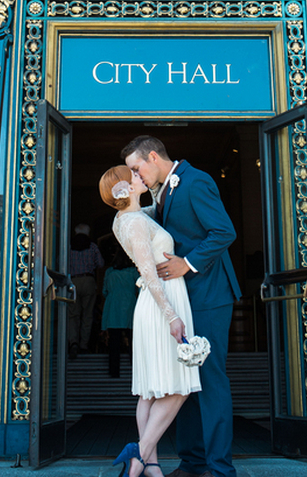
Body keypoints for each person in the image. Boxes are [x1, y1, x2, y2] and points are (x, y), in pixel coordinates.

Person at [122, 136, 240, 477]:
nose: (137, 176)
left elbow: (223, 232)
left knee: (210, 380)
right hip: (183, 299)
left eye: (137, 168)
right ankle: (193, 462)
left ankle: (220, 469)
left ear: (154, 157)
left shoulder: (196, 181)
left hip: (209, 295)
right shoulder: (162, 191)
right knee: (184, 380)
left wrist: (187, 264)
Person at [99, 164, 201, 477]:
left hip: (156, 300)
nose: (140, 176)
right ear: (124, 190)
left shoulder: (130, 217)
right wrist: (172, 315)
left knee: (149, 392)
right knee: (180, 384)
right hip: (161, 301)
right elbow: (147, 271)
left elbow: (152, 205)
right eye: (134, 176)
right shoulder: (133, 222)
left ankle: (150, 466)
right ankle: (140, 455)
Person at [68, 223, 104, 358]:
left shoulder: (69, 246)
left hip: (73, 281)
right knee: (87, 315)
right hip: (88, 280)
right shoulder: (92, 246)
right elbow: (100, 263)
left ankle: (73, 343)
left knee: (73, 315)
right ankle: (84, 345)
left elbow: (60, 261)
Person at [102, 247, 139, 377]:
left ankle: (114, 372)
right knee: (133, 340)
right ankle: (135, 372)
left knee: (114, 341)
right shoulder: (133, 272)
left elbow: (104, 291)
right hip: (130, 305)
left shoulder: (109, 272)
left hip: (113, 306)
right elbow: (140, 289)